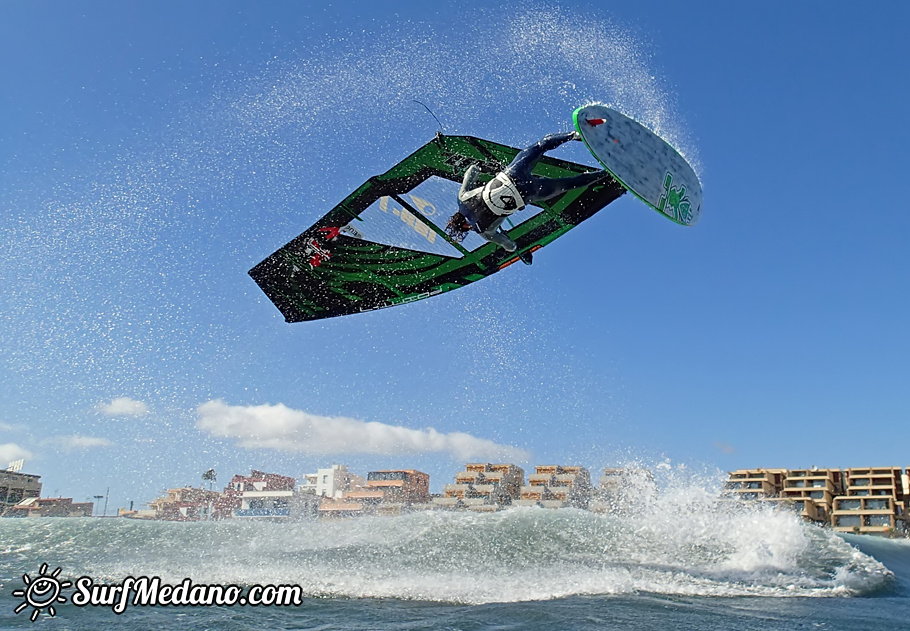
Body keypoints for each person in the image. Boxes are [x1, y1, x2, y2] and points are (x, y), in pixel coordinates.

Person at [445, 130, 607, 265]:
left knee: (568, 184)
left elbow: (508, 245)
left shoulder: (484, 232)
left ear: (465, 228)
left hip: (528, 193)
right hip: (511, 174)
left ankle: (604, 174)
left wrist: (511, 247)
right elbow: (472, 171)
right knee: (539, 146)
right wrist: (480, 169)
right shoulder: (462, 199)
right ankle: (574, 135)